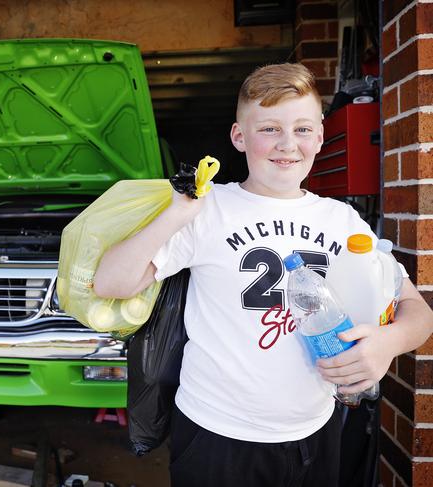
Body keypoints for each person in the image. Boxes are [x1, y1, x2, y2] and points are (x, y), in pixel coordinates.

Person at [93, 63, 433, 487]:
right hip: (215, 433)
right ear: (239, 137)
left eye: (303, 129)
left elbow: (417, 310)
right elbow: (110, 283)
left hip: (315, 430)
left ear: (321, 136)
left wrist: (388, 343)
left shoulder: (342, 220)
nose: (288, 145)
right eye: (269, 129)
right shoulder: (209, 207)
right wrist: (177, 213)